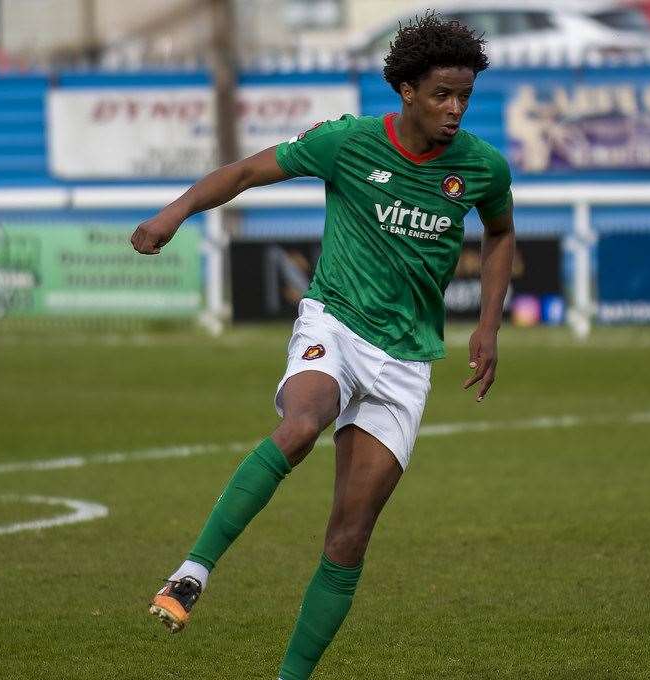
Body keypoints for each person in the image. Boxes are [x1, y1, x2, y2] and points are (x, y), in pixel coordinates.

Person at [130, 12, 515, 680]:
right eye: (441, 96)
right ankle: (192, 572)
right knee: (303, 423)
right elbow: (248, 172)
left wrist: (487, 325)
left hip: (406, 360)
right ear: (407, 91)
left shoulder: (480, 167)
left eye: (464, 98)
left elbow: (502, 235)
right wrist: (175, 212)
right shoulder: (348, 143)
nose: (454, 110)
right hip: (334, 324)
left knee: (349, 538)